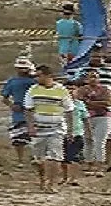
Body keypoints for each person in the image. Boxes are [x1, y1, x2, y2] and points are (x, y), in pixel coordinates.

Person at [23, 64, 75, 192]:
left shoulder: (61, 90)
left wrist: (70, 130)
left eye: (39, 75)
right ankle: (42, 180)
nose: (37, 78)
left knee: (55, 156)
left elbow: (69, 110)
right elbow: (28, 110)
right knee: (38, 158)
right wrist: (30, 127)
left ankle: (51, 184)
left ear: (48, 76)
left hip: (56, 128)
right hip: (39, 128)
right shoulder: (32, 90)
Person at [1, 57, 38, 167]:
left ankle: (35, 157)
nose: (22, 70)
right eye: (20, 68)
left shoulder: (35, 81)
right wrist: (12, 105)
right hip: (18, 112)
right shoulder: (12, 81)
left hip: (34, 111)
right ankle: (20, 160)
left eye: (24, 68)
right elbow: (4, 98)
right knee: (18, 137)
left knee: (35, 135)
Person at [78, 70, 111, 173]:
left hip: (103, 117)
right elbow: (81, 103)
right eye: (90, 77)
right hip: (87, 118)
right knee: (87, 140)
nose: (93, 79)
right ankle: (89, 163)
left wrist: (90, 102)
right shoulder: (82, 89)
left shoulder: (105, 89)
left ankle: (100, 165)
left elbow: (108, 102)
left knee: (100, 142)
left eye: (95, 77)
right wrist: (98, 103)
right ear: (86, 79)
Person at [61, 79, 92, 185]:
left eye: (73, 89)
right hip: (62, 133)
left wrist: (89, 132)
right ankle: (65, 177)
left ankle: (73, 178)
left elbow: (85, 119)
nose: (70, 91)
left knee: (74, 157)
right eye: (68, 89)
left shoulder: (80, 104)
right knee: (63, 158)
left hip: (77, 133)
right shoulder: (60, 104)